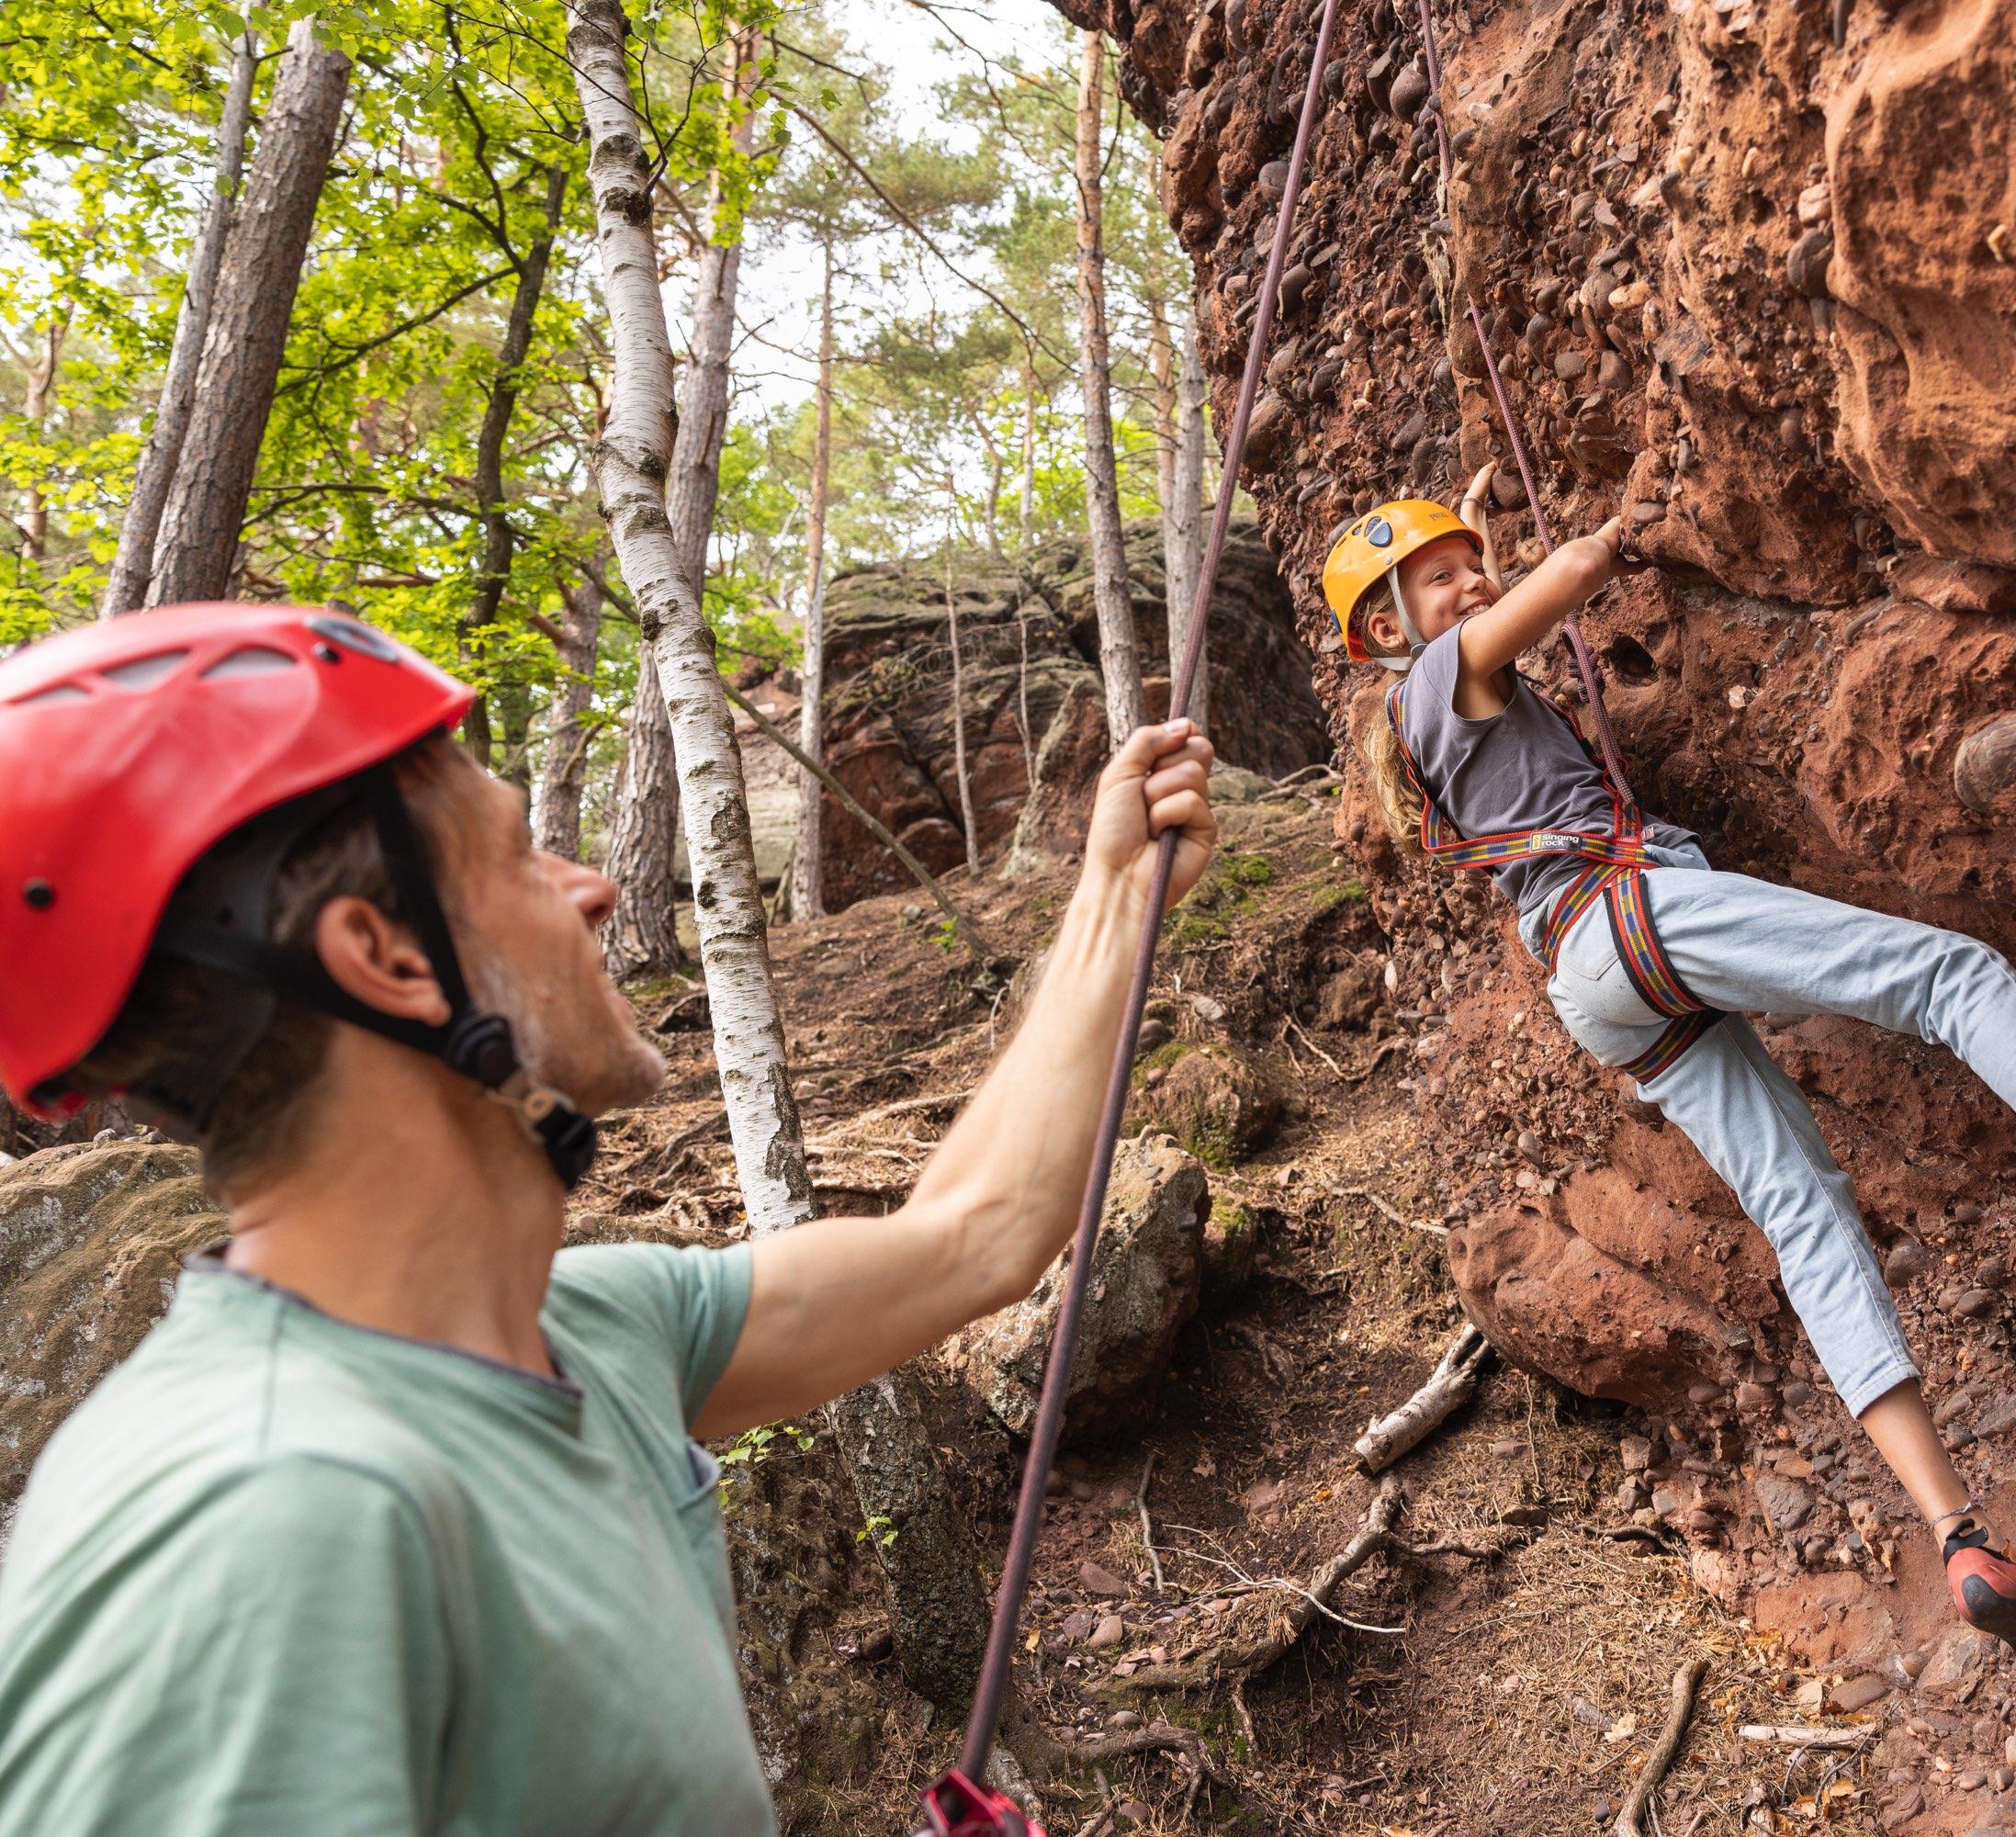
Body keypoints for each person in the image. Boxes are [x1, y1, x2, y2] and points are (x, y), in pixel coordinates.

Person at [0, 602, 1216, 1834]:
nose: (593, 889)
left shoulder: (590, 1333)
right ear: (391, 958)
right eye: (523, 855)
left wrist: (1114, 895)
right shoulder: (257, 1520)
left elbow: (977, 1235)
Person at [1327, 474, 2016, 1652]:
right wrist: (1603, 534)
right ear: (1388, 629)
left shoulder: (1452, 727)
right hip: (1626, 913)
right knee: (1951, 978)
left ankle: (1959, 1533)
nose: (1472, 583)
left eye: (1472, 565)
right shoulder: (1436, 679)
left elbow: (1507, 614)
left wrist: (1471, 534)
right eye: (1440, 577)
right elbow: (1573, 583)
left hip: (1595, 979)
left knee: (1805, 1218)